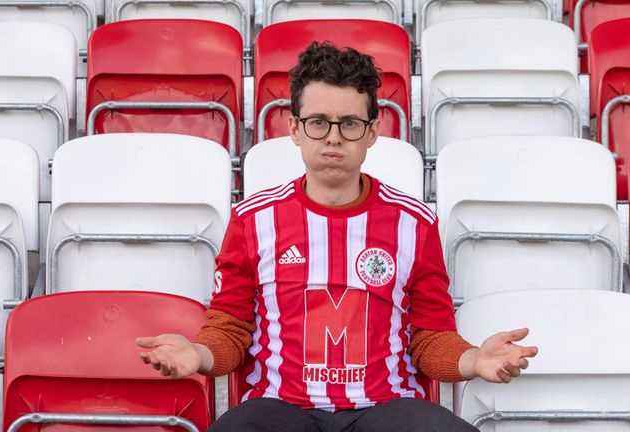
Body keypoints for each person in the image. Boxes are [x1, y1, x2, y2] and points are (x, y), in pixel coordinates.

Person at [136, 41, 538, 432]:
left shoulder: (414, 222)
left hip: (386, 408)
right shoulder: (252, 219)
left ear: (373, 131)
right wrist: (200, 354)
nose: (333, 137)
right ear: (294, 128)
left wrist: (472, 360)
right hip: (279, 408)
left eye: (349, 124)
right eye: (318, 122)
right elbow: (230, 331)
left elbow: (430, 337)